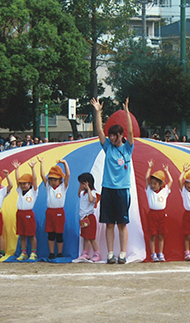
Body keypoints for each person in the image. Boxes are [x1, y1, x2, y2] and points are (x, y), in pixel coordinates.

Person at [91, 97, 134, 264]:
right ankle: (110, 253)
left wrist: (127, 112)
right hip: (107, 189)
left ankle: (122, 253)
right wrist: (98, 112)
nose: (112, 138)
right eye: (111, 136)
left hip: (123, 190)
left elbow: (130, 133)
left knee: (122, 224)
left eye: (115, 136)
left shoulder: (127, 148)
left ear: (120, 136)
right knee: (109, 223)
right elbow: (99, 130)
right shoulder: (107, 146)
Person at [39, 158, 70, 260]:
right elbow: (42, 176)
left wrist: (65, 163)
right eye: (51, 179)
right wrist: (42, 164)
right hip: (50, 212)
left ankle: (60, 253)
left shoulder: (63, 187)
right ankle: (51, 253)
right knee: (50, 234)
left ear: (60, 180)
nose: (53, 182)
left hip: (59, 212)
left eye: (55, 180)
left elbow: (68, 175)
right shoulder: (48, 187)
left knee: (59, 233)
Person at [11, 159, 39, 261]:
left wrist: (33, 168)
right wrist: (16, 169)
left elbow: (35, 179)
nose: (23, 186)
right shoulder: (19, 191)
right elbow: (17, 179)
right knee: (22, 235)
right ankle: (24, 253)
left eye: (25, 184)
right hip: (20, 214)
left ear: (30, 184)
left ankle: (33, 253)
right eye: (21, 184)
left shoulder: (33, 192)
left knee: (31, 235)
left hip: (28, 214)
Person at [145, 160, 173, 262]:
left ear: (160, 184)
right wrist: (149, 168)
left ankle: (160, 253)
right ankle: (153, 254)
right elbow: (146, 179)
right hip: (152, 214)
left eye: (155, 184)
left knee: (161, 235)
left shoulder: (164, 191)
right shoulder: (149, 190)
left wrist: (167, 171)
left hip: (162, 215)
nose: (152, 185)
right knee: (152, 235)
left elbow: (171, 181)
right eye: (152, 183)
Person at [76, 172, 101, 262]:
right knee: (85, 236)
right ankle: (85, 253)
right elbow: (79, 194)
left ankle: (96, 253)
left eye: (82, 183)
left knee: (91, 237)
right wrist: (81, 186)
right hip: (83, 218)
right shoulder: (83, 193)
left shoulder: (93, 193)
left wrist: (89, 188)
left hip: (89, 217)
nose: (81, 186)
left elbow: (91, 200)